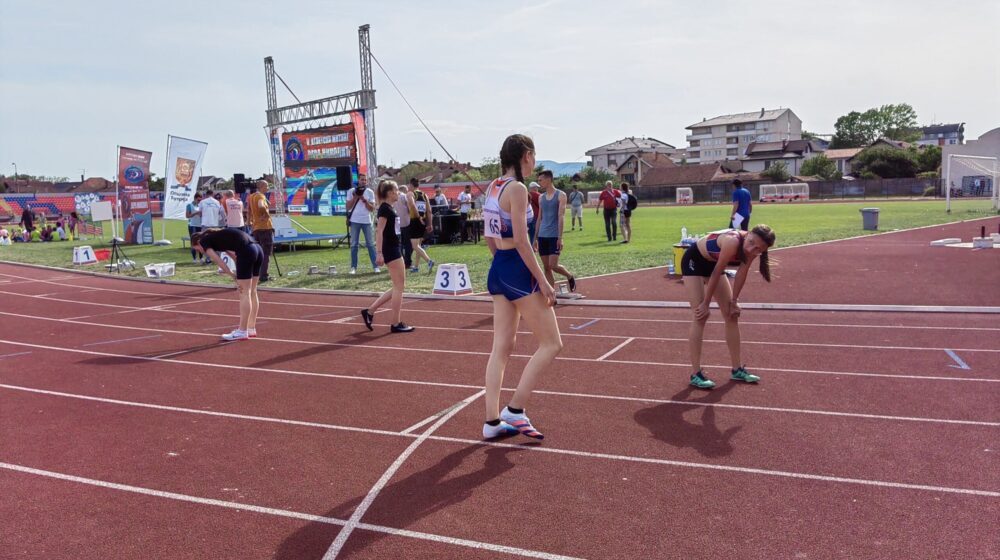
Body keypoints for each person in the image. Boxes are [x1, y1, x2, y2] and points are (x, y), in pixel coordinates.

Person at [482, 134, 563, 441]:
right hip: (517, 268)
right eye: (533, 157)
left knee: (501, 347)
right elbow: (521, 239)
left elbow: (489, 234)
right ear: (526, 155)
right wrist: (542, 279)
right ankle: (515, 410)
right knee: (552, 343)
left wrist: (501, 265)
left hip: (499, 267)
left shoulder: (493, 186)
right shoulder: (516, 189)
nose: (534, 163)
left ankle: (491, 421)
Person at [682, 225, 776, 389]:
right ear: (748, 233)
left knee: (732, 315)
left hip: (713, 265)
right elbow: (717, 271)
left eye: (758, 248)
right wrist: (705, 303)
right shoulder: (732, 242)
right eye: (751, 242)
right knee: (700, 315)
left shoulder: (754, 250)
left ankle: (737, 369)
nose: (751, 248)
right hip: (694, 261)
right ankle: (695, 374)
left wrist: (734, 302)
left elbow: (742, 273)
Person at [191, 228, 264, 341]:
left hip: (247, 251)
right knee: (252, 291)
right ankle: (251, 328)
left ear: (198, 242)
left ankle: (242, 331)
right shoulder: (217, 237)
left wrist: (232, 275)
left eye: (198, 249)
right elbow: (234, 256)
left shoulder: (205, 241)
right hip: (257, 249)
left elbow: (219, 261)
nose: (201, 252)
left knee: (244, 293)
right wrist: (238, 273)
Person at [360, 180, 413, 333]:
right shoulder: (384, 209)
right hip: (391, 250)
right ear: (390, 193)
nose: (398, 193)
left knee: (398, 286)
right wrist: (379, 253)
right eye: (397, 191)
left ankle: (369, 311)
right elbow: (379, 231)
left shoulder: (388, 208)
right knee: (399, 287)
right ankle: (395, 323)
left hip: (394, 248)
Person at [534, 170, 576, 291]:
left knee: (553, 265)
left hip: (553, 235)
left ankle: (569, 276)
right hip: (542, 235)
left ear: (548, 179)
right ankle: (551, 293)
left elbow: (561, 216)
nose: (539, 182)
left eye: (540, 180)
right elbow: (539, 218)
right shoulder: (541, 198)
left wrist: (560, 237)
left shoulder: (561, 195)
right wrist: (535, 238)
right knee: (546, 267)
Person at [346, 178, 379, 274]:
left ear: (367, 182)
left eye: (365, 180)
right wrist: (355, 197)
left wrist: (364, 200)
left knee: (370, 244)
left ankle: (375, 266)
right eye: (362, 180)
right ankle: (353, 267)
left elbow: (372, 209)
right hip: (354, 220)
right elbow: (348, 207)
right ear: (358, 181)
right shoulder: (351, 191)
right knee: (354, 245)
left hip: (366, 221)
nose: (363, 181)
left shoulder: (370, 192)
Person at [247, 180, 275, 283]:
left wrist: (248, 221)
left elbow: (249, 209)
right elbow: (261, 206)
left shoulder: (252, 196)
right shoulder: (261, 197)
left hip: (256, 228)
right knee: (266, 253)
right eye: (267, 186)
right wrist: (266, 215)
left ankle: (256, 274)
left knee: (258, 253)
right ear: (262, 186)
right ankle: (264, 275)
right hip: (265, 227)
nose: (268, 188)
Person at [407, 185, 435, 273]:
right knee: (418, 245)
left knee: (415, 246)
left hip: (415, 220)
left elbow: (412, 205)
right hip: (423, 221)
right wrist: (430, 224)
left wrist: (418, 217)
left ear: (411, 185)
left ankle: (429, 261)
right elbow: (429, 210)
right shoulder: (424, 195)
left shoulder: (411, 193)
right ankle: (416, 267)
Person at [394, 184, 413, 268]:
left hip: (397, 224)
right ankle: (407, 261)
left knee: (399, 244)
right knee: (408, 244)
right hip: (406, 222)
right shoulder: (404, 196)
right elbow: (409, 208)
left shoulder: (394, 198)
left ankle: (400, 261)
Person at [186, 193, 203, 263]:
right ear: (195, 198)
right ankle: (194, 258)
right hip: (192, 225)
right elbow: (187, 216)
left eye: (200, 200)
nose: (199, 201)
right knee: (194, 242)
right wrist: (196, 213)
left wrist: (201, 214)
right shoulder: (189, 205)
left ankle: (201, 258)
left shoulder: (200, 205)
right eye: (198, 200)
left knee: (201, 242)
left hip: (200, 225)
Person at [527, 181, 541, 246]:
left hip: (528, 217)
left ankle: (532, 246)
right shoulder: (537, 195)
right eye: (536, 188)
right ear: (534, 188)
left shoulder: (525, 194)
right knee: (536, 234)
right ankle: (534, 247)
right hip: (536, 217)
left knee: (531, 234)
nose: (537, 189)